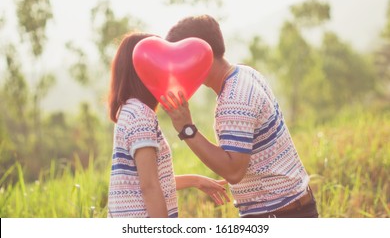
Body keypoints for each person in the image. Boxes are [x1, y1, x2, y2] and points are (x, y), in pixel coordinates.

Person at [160, 15, 319, 218]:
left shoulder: (233, 100)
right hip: (292, 205)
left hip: (279, 213)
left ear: (199, 54)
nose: (178, 69)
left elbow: (234, 171)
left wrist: (186, 129)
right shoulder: (244, 74)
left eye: (180, 59)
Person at [107, 32, 229, 218]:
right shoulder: (140, 115)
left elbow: (148, 179)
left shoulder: (128, 110)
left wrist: (196, 180)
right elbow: (149, 186)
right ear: (141, 69)